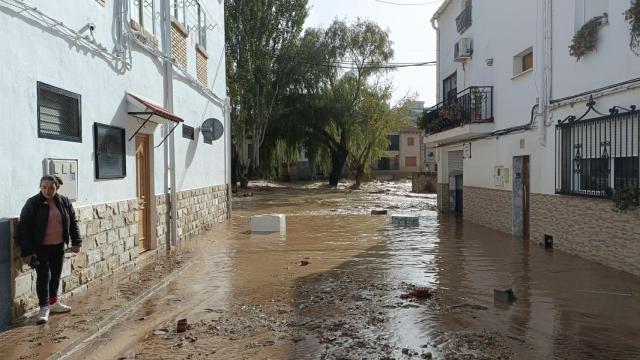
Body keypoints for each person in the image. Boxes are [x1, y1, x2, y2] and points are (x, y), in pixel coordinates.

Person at [17, 175, 81, 324]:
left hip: (58, 247)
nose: (47, 190)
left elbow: (72, 222)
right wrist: (28, 251)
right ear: (40, 187)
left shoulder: (64, 201)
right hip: (40, 249)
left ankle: (53, 302)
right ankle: (44, 307)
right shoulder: (33, 203)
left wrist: (76, 241)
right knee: (44, 277)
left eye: (51, 187)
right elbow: (23, 228)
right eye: (44, 187)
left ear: (57, 187)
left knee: (55, 275)